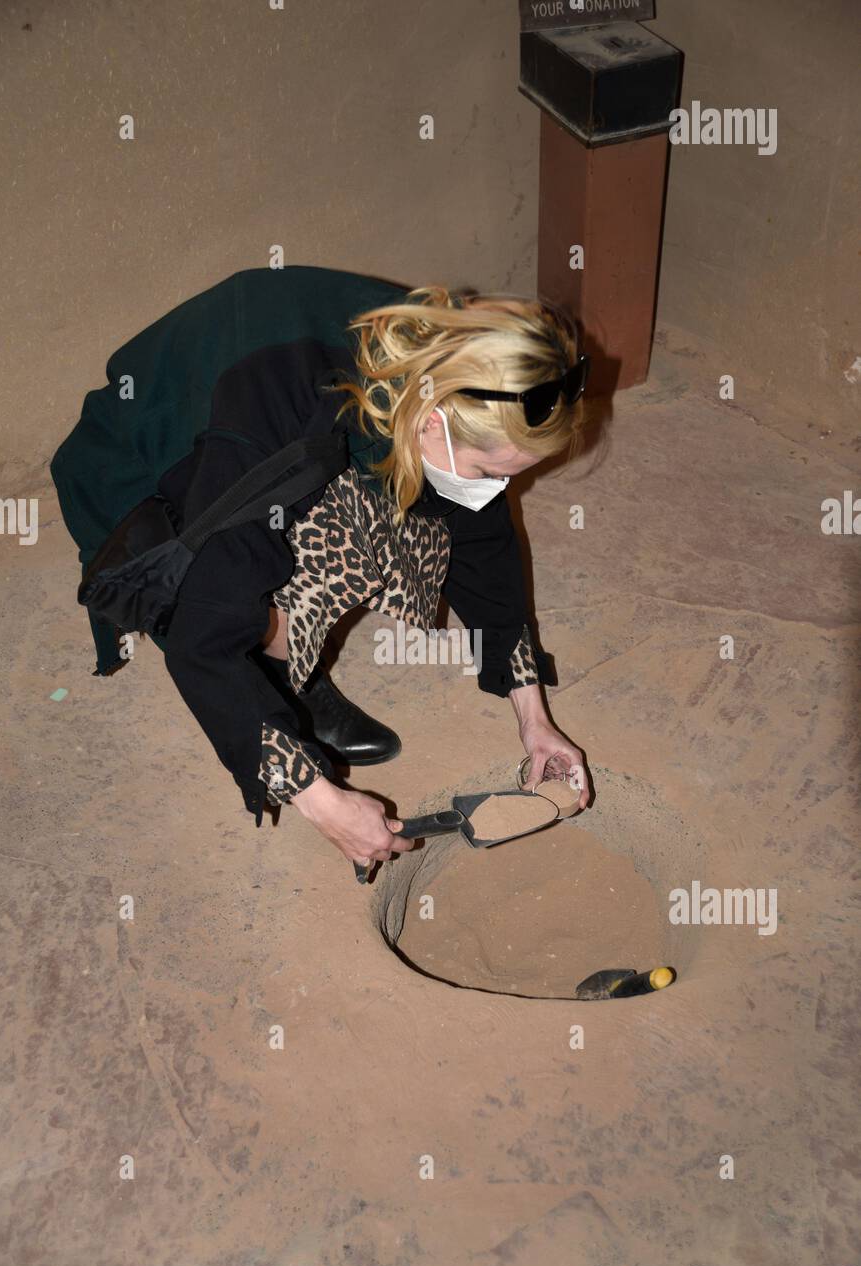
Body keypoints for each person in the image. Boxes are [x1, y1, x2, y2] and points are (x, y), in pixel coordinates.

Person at [155, 282, 593, 874]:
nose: (493, 490)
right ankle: (282, 674)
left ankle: (292, 671)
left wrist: (534, 719)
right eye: (489, 470)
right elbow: (199, 641)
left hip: (341, 432)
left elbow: (486, 552)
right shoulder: (278, 414)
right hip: (171, 449)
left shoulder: (455, 378)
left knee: (421, 519)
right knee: (267, 571)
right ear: (433, 421)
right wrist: (318, 798)